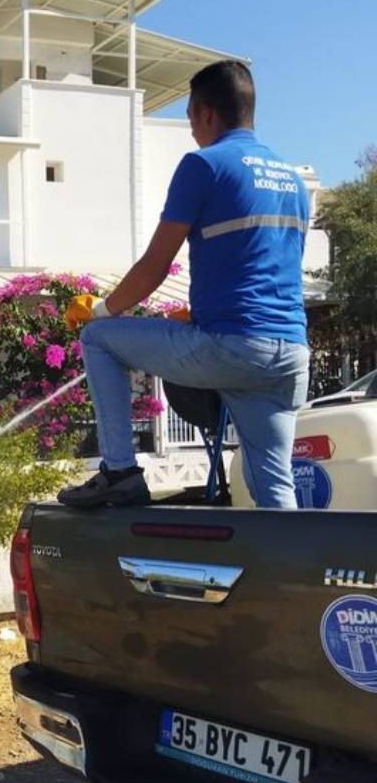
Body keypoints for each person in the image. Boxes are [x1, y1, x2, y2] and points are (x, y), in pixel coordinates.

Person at [57, 60, 311, 510]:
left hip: (231, 347)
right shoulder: (292, 180)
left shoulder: (204, 165)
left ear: (207, 113)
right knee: (275, 489)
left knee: (98, 339)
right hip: (288, 356)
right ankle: (292, 578)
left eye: (191, 117)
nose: (192, 129)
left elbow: (155, 267)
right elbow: (266, 265)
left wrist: (100, 309)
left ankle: (119, 472)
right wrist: (204, 309)